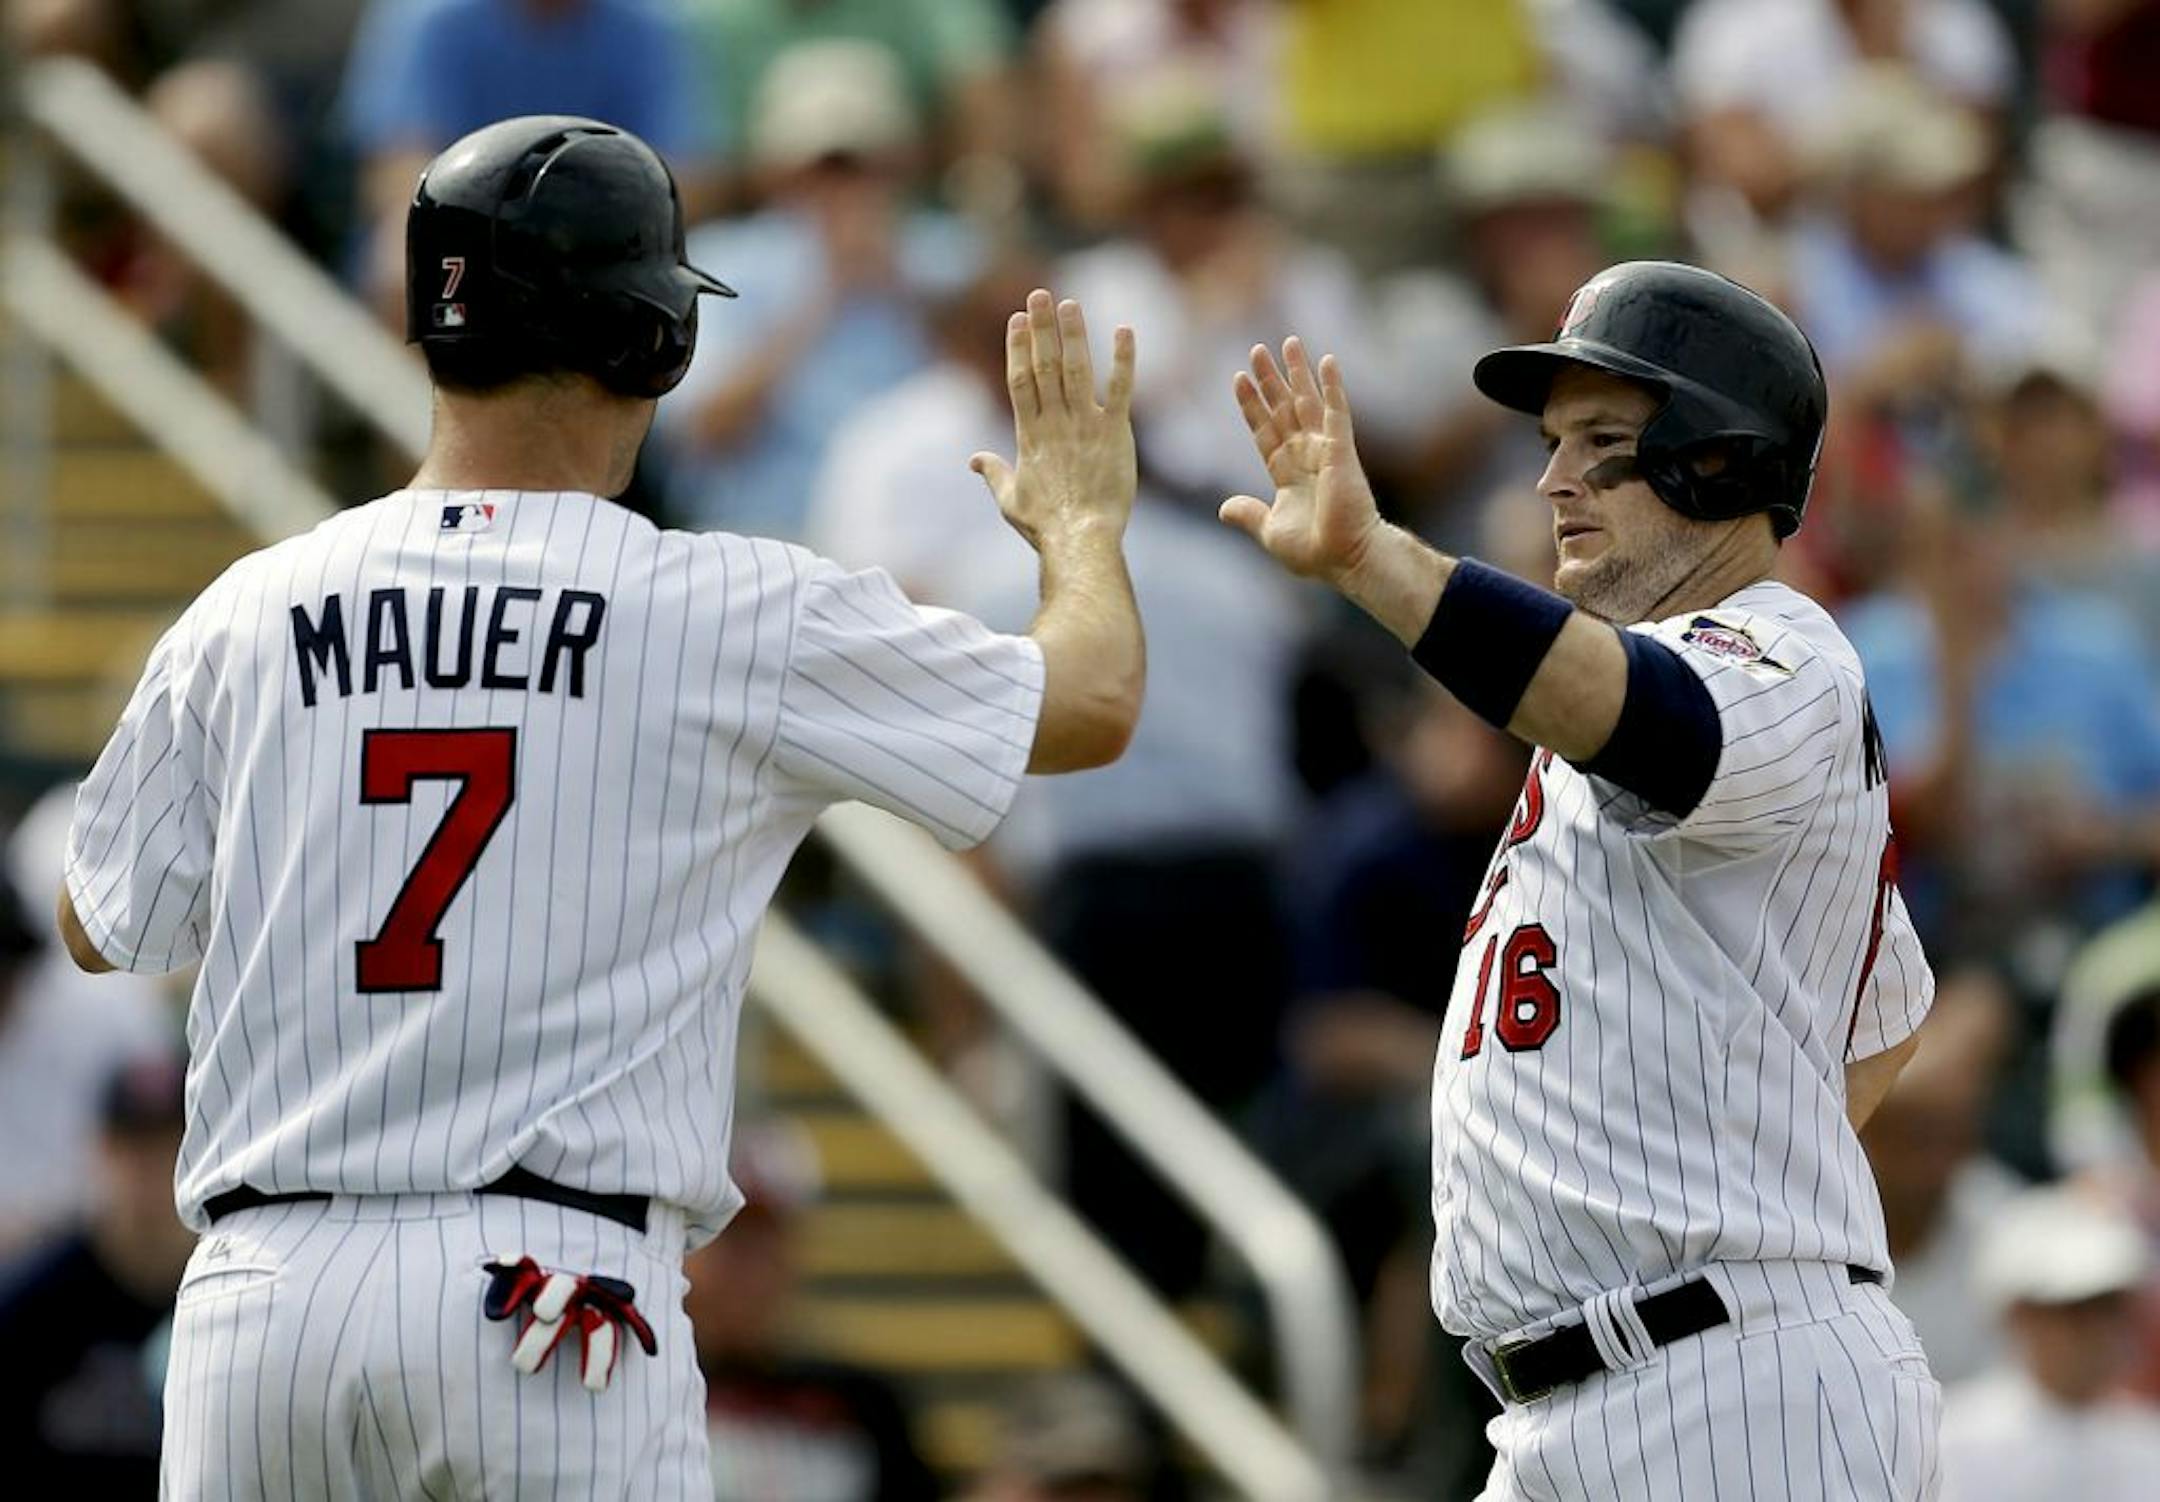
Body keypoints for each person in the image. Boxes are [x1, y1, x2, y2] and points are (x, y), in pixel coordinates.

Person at [53, 114, 1144, 1499]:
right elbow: (1092, 701)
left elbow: (101, 925)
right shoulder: (727, 610)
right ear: (651, 342)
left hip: (260, 1306)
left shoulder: (245, 611)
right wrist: (1084, 533)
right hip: (545, 1298)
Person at [1219, 259, 1940, 1497]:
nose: (1553, 478)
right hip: (1590, 1402)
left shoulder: (1782, 645)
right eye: (1554, 442)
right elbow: (1884, 1021)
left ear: (1716, 459)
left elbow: (1649, 716)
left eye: (1602, 442)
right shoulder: (1671, 712)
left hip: (1726, 1390)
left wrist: (1373, 560)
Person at [686, 1123, 937, 1502]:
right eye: (731, 1245)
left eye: (768, 1246)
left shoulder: (859, 1404)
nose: (751, 1275)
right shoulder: (642, 1389)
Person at [0, 1050, 197, 1490]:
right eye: (134, 1148)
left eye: (169, 1147)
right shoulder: (34, 1304)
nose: (150, 1171)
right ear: (101, 1151)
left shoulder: (234, 1290)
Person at [1937, 1183, 2160, 1502]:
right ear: (2019, 1315)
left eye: (2109, 1307)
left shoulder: (2148, 1442)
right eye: (2075, 1311)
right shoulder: (1951, 1440)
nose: (2098, 1330)